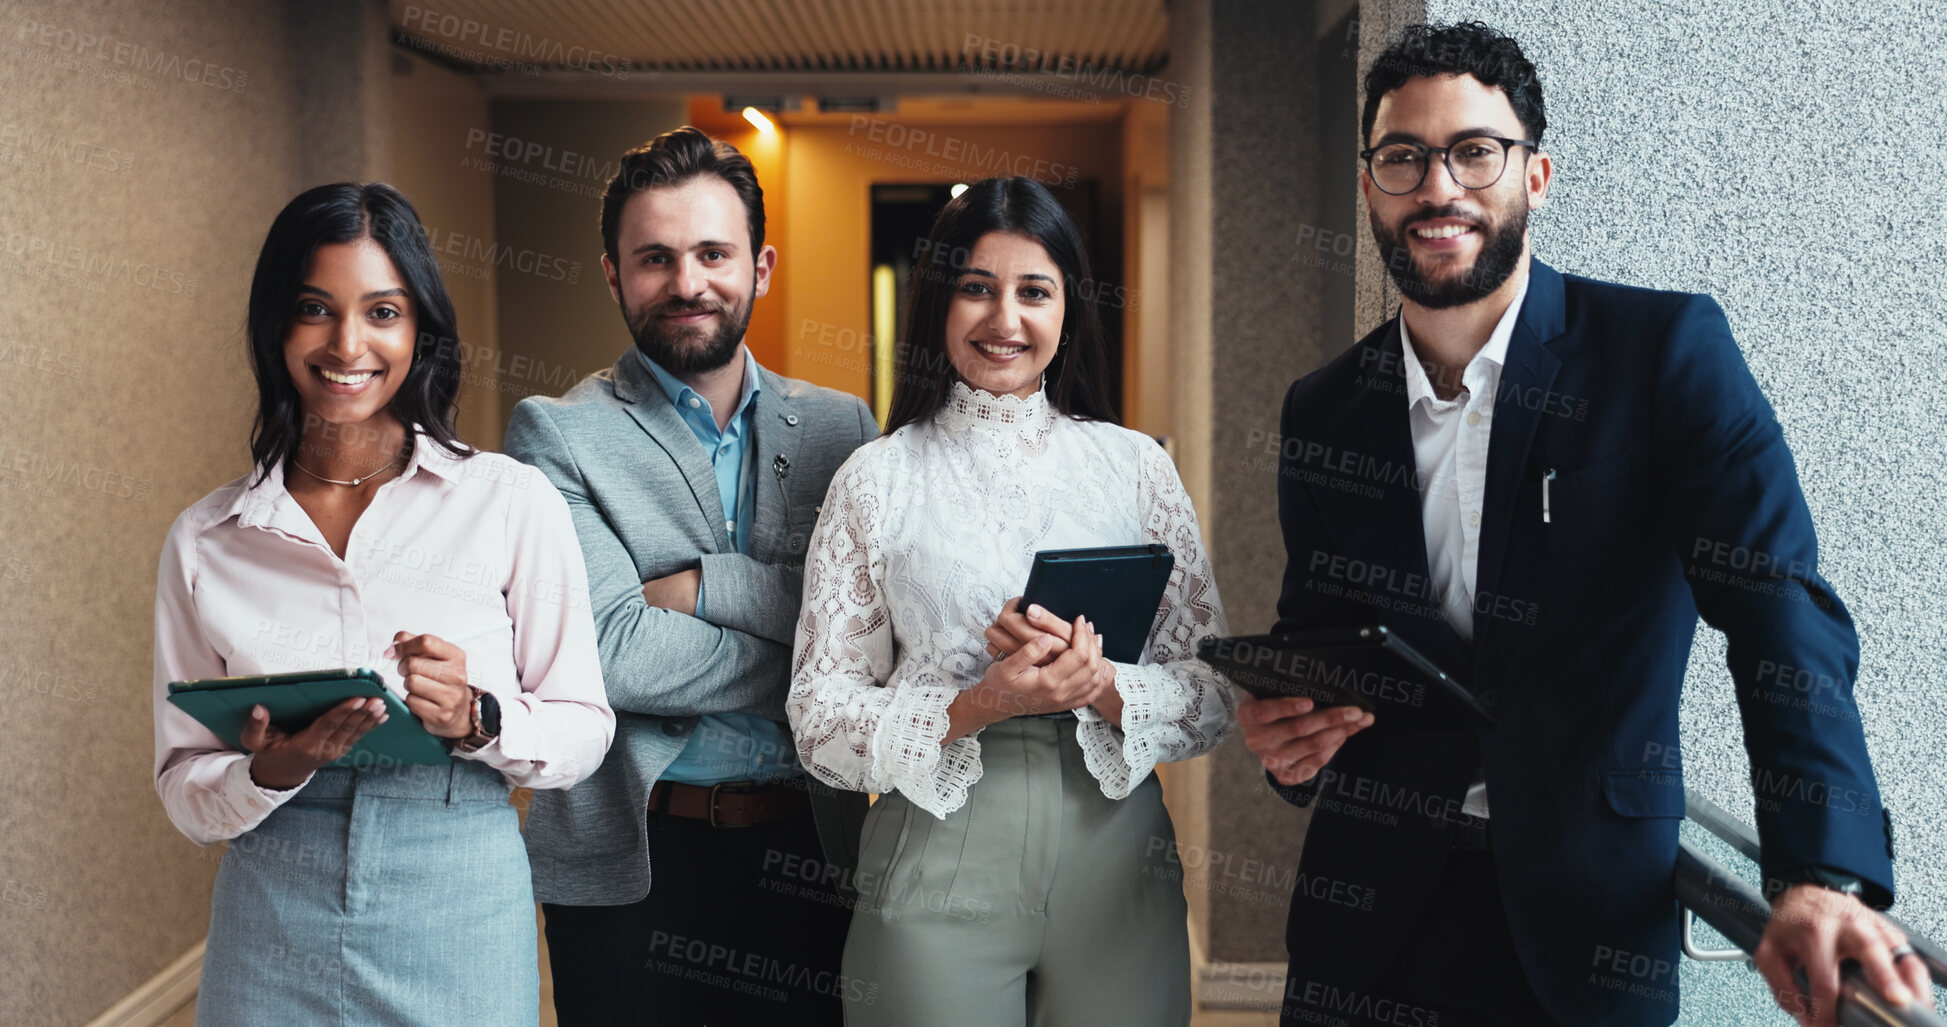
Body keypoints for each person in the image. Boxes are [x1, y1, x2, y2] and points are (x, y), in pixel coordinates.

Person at [1238, 21, 1922, 1027]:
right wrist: (1292, 738)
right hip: (1365, 931)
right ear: (1372, 184)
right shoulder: (1324, 406)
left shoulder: (1664, 354)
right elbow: (1321, 642)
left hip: (1589, 927)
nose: (1440, 187)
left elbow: (1781, 606)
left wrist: (1821, 869)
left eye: (1476, 151)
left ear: (1537, 175)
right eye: (1404, 157)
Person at [151, 182, 614, 1026]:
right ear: (275, 326)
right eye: (314, 308)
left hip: (458, 889)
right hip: (271, 900)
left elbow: (584, 725)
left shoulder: (509, 501)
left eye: (383, 311)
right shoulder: (205, 538)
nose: (347, 343)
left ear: (419, 329)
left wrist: (478, 715)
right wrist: (272, 768)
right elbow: (183, 785)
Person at [788, 175, 1234, 1025]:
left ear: (1068, 310)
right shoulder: (876, 478)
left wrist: (1100, 684)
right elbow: (818, 714)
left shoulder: (1136, 465)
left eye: (1034, 291)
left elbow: (1210, 692)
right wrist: (975, 703)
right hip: (937, 855)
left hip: (1118, 863)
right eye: (976, 289)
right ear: (937, 304)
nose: (1005, 319)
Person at [503, 126, 875, 1026]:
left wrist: (705, 587)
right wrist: (812, 647)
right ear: (612, 272)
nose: (686, 282)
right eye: (655, 258)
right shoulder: (555, 434)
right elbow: (612, 650)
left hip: (813, 850)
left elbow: (875, 639)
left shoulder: (842, 428)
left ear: (762, 266)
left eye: (713, 252)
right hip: (633, 865)